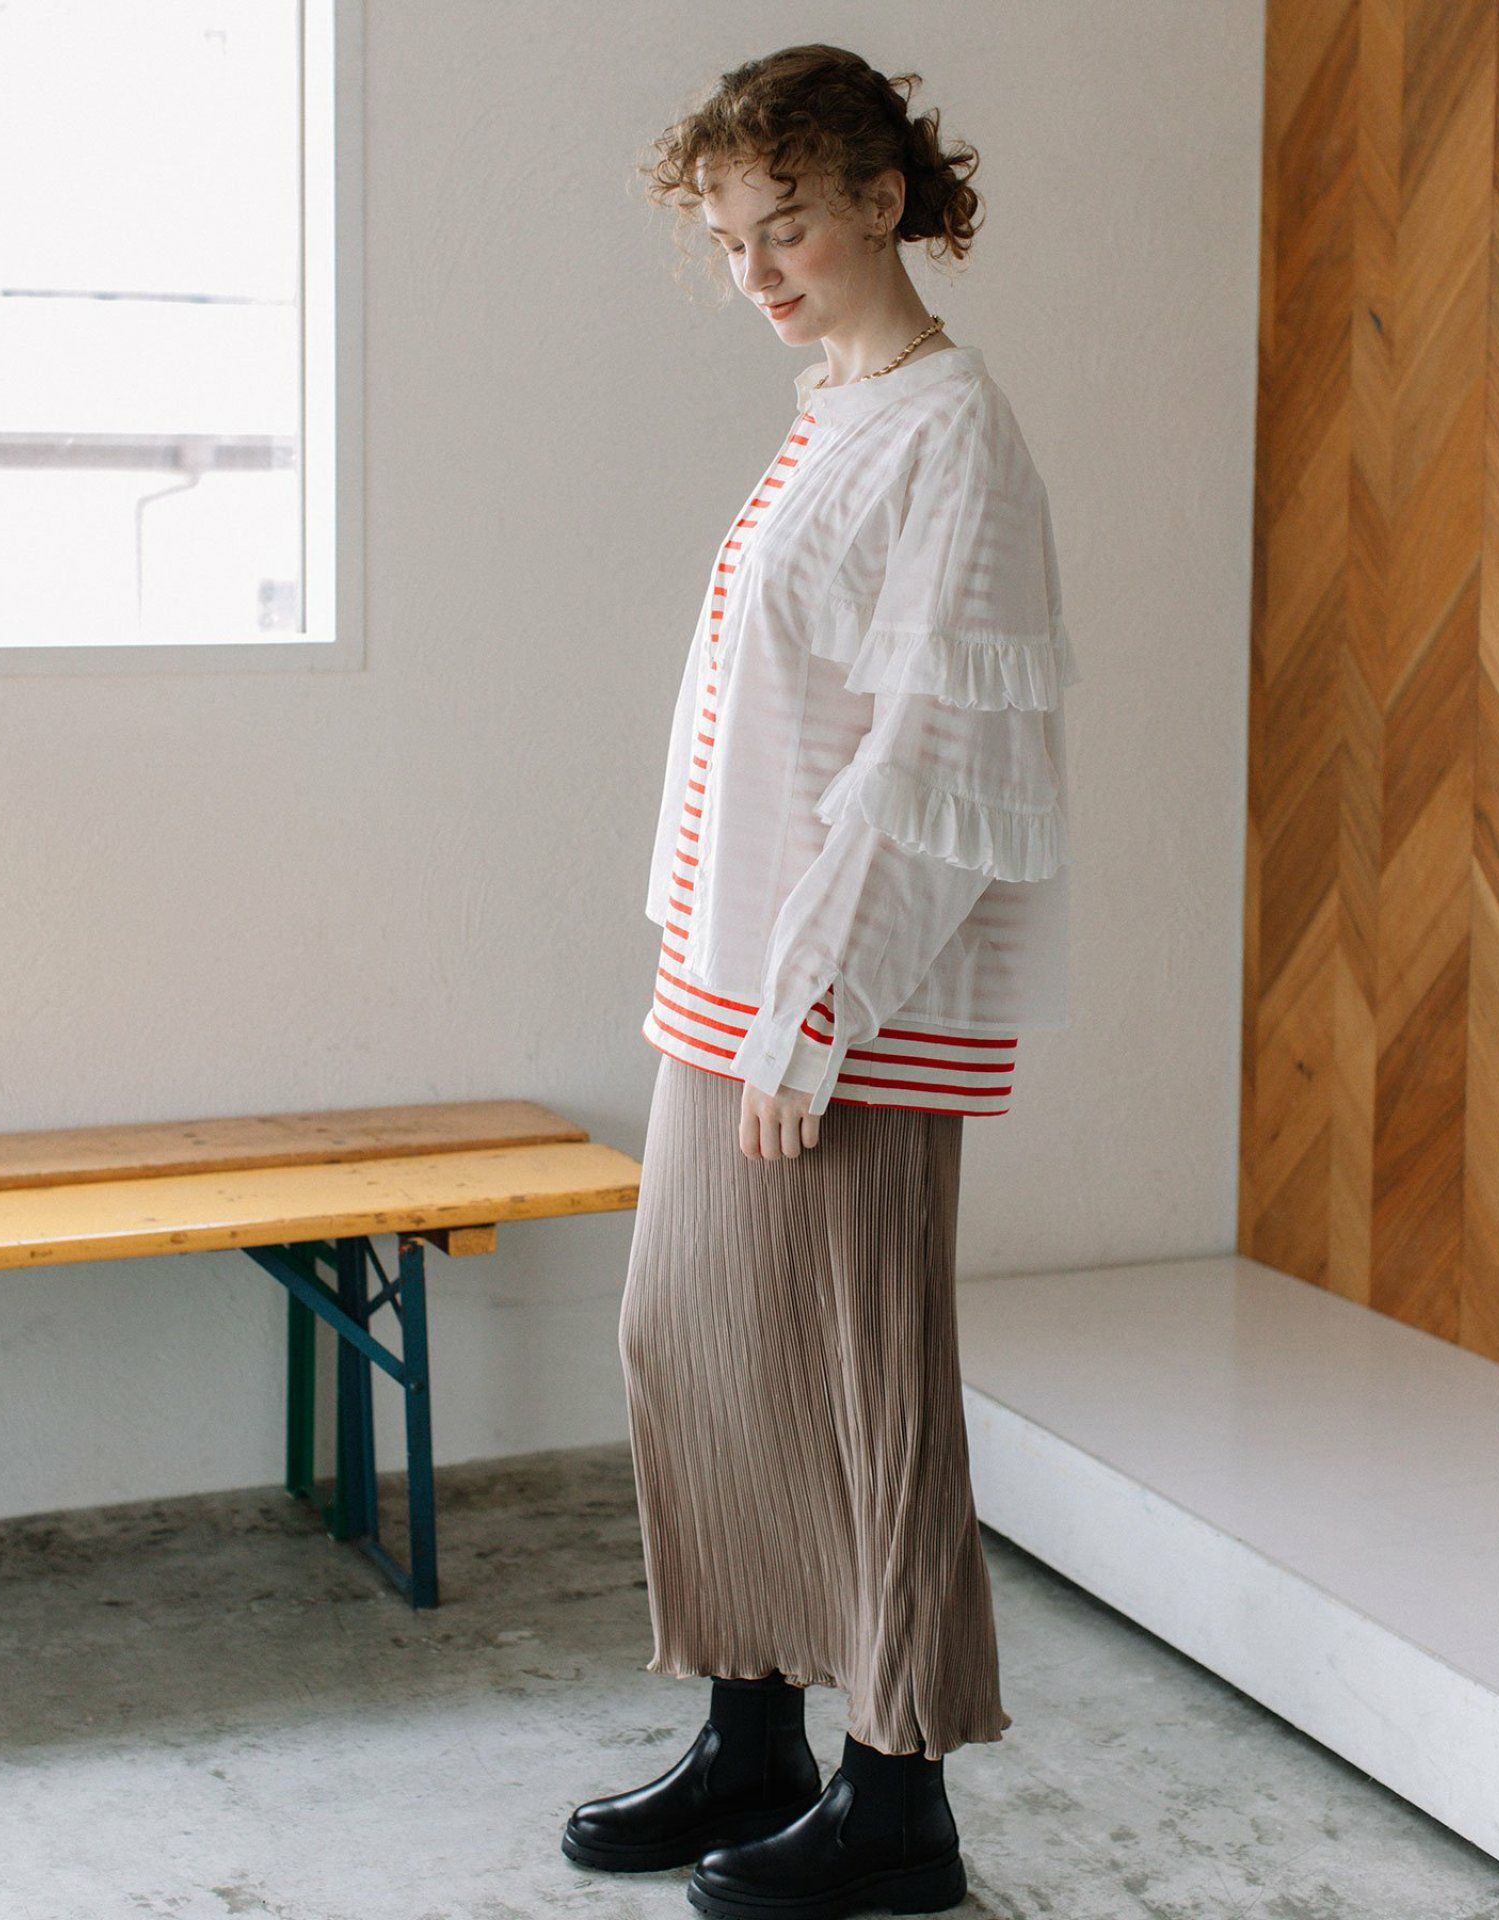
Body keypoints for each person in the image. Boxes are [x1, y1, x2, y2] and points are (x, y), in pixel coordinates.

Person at [563, 42, 1078, 1920]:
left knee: (867, 1386)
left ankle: (898, 1800)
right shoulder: (837, 411)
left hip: (846, 1007)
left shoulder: (951, 435)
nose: (757, 270)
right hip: (736, 983)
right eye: (729, 240)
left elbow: (934, 758)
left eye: (785, 225)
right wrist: (748, 992)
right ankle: (754, 1731)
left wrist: (820, 1010)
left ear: (883, 194)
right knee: (699, 1348)